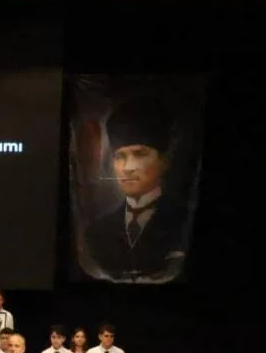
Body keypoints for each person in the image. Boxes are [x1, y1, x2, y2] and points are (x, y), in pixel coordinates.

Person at [81, 95, 191, 283]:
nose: (128, 167)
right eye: (120, 156)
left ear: (164, 161)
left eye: (140, 154)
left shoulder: (184, 224)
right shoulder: (96, 233)